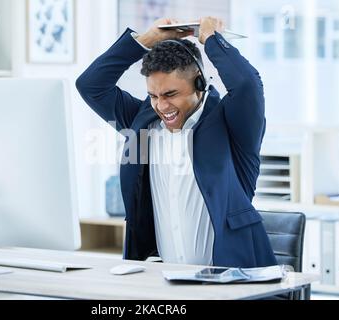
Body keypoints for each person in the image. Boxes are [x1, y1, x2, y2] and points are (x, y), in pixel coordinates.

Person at [76, 17, 277, 268]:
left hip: (233, 280)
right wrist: (146, 40)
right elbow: (90, 85)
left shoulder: (233, 125)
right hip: (164, 282)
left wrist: (211, 40)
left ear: (200, 84)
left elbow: (247, 84)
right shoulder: (142, 122)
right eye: (153, 95)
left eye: (171, 94)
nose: (162, 106)